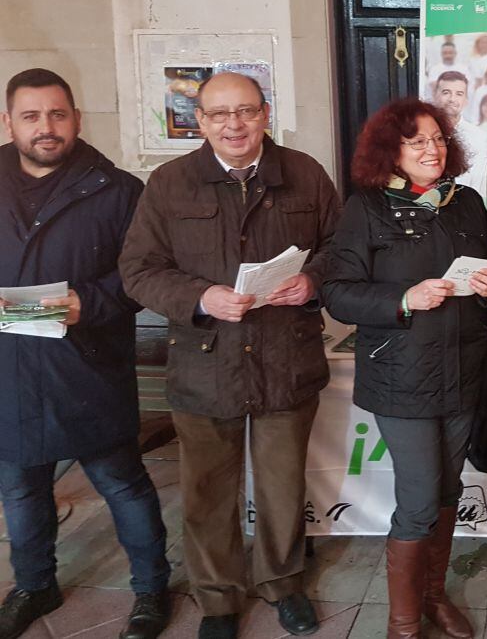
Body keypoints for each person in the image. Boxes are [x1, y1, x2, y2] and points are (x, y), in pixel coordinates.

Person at [119, 72, 341, 639]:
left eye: (245, 112)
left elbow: (342, 249)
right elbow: (138, 270)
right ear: (200, 120)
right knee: (207, 491)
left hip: (284, 361)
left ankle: (283, 583)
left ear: (267, 113)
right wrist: (200, 297)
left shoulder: (305, 175)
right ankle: (217, 597)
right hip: (203, 362)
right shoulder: (170, 185)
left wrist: (313, 281)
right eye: (219, 115)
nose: (233, 125)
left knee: (283, 486)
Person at [0, 68, 172, 639]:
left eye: (57, 114)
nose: (45, 128)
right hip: (10, 372)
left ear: (76, 118)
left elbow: (142, 275)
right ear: (9, 122)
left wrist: (89, 302)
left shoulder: (117, 190)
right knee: (22, 487)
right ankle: (34, 585)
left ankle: (150, 591)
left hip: (88, 365)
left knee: (122, 483)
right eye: (31, 116)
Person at [322, 98, 487, 639]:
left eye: (439, 139)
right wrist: (404, 298)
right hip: (400, 375)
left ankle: (433, 596)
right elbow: (337, 293)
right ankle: (403, 623)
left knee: (449, 492)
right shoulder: (366, 208)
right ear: (391, 152)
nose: (432, 149)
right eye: (417, 141)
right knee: (420, 498)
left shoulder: (466, 203)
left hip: (464, 370)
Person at [430, 71, 487, 198]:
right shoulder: (423, 134)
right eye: (446, 92)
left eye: (459, 94)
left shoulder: (481, 139)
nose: (452, 99)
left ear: (466, 100)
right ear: (435, 95)